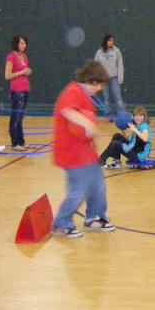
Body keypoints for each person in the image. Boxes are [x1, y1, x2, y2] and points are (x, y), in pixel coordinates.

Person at [51, 60, 115, 238]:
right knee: (78, 191)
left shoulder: (84, 94)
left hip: (85, 153)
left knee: (98, 185)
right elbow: (67, 111)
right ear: (93, 81)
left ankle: (93, 218)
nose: (100, 89)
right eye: (100, 85)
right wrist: (87, 124)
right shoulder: (73, 91)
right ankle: (60, 223)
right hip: (71, 153)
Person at [4, 34, 32, 150]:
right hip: (16, 91)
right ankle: (15, 143)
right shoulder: (11, 57)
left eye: (25, 43)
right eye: (21, 43)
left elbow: (24, 71)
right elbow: (7, 75)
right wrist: (22, 72)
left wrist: (27, 71)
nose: (24, 45)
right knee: (15, 117)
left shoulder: (24, 56)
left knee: (20, 118)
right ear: (16, 44)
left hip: (25, 89)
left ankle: (22, 142)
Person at [94, 33, 124, 120]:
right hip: (103, 79)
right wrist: (97, 78)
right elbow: (96, 65)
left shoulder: (117, 51)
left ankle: (121, 115)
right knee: (107, 98)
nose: (111, 42)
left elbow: (120, 65)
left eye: (112, 40)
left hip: (114, 77)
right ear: (105, 41)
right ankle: (108, 116)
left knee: (117, 97)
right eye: (110, 40)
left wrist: (120, 78)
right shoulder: (99, 52)